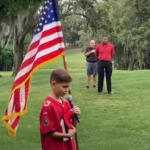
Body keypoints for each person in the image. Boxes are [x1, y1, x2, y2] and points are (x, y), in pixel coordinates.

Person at [40, 69, 81, 150]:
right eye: (64, 86)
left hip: (69, 146)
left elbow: (71, 127)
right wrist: (68, 135)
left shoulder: (66, 103)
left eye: (69, 86)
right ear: (54, 84)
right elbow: (48, 132)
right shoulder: (48, 106)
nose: (67, 90)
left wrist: (75, 116)